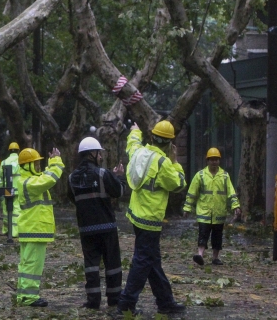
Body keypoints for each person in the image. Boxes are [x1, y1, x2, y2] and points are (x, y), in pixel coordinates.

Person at [117, 121, 187, 316]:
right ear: (169, 143)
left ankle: (165, 302)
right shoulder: (163, 163)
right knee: (143, 261)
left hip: (136, 215)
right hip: (150, 220)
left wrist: (135, 131)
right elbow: (179, 183)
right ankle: (125, 304)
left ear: (152, 137)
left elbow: (132, 144)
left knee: (151, 260)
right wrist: (175, 161)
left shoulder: (139, 153)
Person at [67, 137, 125, 310]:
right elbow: (119, 191)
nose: (101, 156)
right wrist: (119, 177)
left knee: (91, 266)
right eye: (99, 153)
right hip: (107, 227)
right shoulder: (102, 173)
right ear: (93, 153)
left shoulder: (71, 178)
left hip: (86, 229)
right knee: (112, 264)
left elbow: (73, 199)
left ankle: (93, 300)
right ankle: (114, 299)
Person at [16, 147, 65, 307]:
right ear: (28, 165)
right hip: (34, 229)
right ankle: (29, 297)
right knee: (33, 264)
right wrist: (56, 162)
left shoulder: (28, 180)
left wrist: (50, 164)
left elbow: (44, 177)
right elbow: (50, 179)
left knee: (27, 263)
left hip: (32, 229)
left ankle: (23, 295)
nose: (38, 166)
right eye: (35, 163)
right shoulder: (29, 182)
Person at [183, 147, 241, 266]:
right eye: (212, 159)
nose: (214, 162)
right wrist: (187, 208)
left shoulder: (224, 176)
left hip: (219, 212)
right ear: (207, 161)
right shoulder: (200, 175)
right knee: (203, 234)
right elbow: (192, 193)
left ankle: (215, 258)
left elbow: (231, 192)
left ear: (219, 161)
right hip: (204, 212)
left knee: (217, 236)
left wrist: (236, 206)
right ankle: (200, 255)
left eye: (216, 159)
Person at [1, 142, 21, 237]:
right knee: (16, 209)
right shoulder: (21, 160)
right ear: (18, 150)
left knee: (6, 209)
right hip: (18, 188)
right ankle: (15, 232)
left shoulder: (4, 162)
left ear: (9, 151)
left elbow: (1, 176)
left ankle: (6, 230)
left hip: (7, 188)